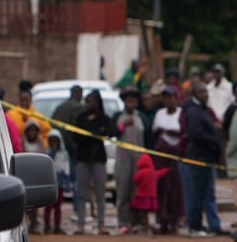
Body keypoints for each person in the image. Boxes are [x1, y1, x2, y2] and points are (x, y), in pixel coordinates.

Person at [181, 81, 224, 236]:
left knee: (208, 192)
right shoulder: (193, 111)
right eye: (201, 92)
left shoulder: (205, 110)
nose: (205, 94)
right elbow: (195, 133)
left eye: (206, 91)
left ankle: (210, 225)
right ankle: (195, 225)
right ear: (194, 94)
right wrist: (213, 139)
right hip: (198, 156)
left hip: (208, 157)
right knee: (196, 193)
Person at [73, 90, 115, 235]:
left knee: (100, 193)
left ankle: (101, 224)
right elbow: (77, 137)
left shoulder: (104, 118)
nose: (87, 104)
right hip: (83, 159)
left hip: (98, 159)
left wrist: (93, 133)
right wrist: (95, 133)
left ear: (97, 103)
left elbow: (109, 131)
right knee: (82, 193)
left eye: (90, 101)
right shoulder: (80, 118)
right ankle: (80, 224)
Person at [152, 85, 185, 235]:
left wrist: (172, 132)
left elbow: (183, 132)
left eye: (170, 97)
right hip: (162, 154)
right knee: (162, 187)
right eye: (165, 97)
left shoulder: (181, 113)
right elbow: (155, 131)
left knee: (176, 188)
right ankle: (162, 220)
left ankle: (175, 221)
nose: (168, 100)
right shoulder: (160, 113)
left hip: (176, 152)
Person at [113, 88, 146, 235]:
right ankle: (123, 222)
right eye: (128, 101)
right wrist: (124, 125)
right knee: (122, 192)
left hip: (139, 161)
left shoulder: (142, 118)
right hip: (123, 160)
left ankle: (135, 223)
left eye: (133, 101)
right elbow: (112, 132)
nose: (131, 104)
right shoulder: (118, 116)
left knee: (136, 192)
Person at [132, 153, 171, 235]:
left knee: (141, 213)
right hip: (151, 197)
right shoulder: (153, 172)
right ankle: (149, 227)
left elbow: (135, 179)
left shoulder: (141, 172)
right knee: (149, 213)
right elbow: (160, 173)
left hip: (141, 197)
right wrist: (167, 170)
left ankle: (144, 227)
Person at [44, 129, 70, 235]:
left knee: (58, 207)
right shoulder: (48, 153)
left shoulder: (64, 154)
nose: (54, 143)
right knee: (48, 206)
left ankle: (57, 226)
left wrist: (67, 181)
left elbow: (66, 168)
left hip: (60, 183)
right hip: (49, 182)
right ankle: (46, 226)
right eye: (52, 141)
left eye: (56, 141)